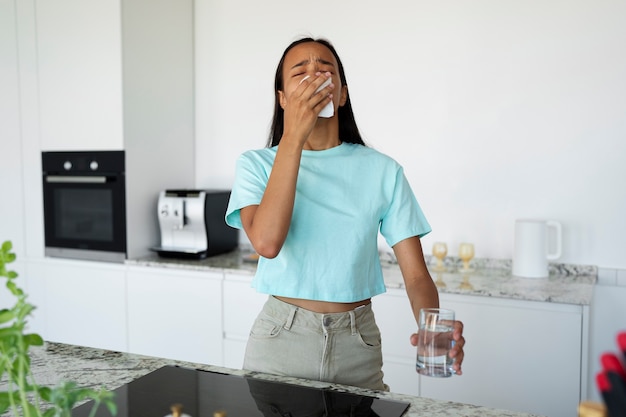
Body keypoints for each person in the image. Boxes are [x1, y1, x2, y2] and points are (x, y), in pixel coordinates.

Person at [225, 37, 465, 391]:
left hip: (358, 343)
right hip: (280, 341)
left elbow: (416, 277)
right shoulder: (256, 165)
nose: (314, 75)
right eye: (300, 72)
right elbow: (267, 242)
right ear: (282, 99)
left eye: (325, 69)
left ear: (341, 94)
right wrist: (293, 137)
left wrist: (432, 326)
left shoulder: (384, 171)